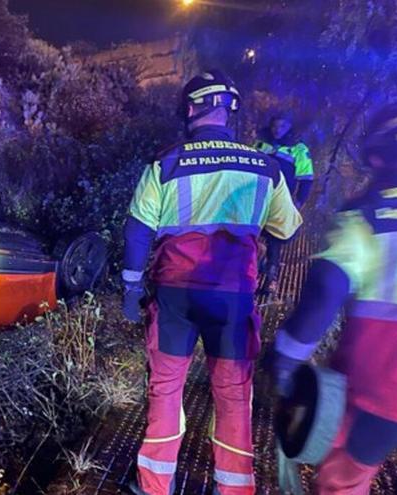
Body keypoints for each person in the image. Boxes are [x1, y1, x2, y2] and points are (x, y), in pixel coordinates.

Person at [121, 70, 302, 495]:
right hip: (234, 298)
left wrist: (131, 291)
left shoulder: (164, 163)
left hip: (175, 297)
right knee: (234, 394)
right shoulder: (266, 167)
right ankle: (235, 487)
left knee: (166, 389)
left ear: (190, 109)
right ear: (228, 112)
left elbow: (136, 231)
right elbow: (287, 230)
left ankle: (153, 484)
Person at [267, 103, 397, 494]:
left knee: (343, 479)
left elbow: (326, 287)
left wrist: (286, 358)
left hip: (382, 390)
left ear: (376, 156)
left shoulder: (369, 218)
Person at [254, 113, 315, 294]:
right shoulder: (260, 143)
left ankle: (271, 280)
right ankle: (252, 270)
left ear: (290, 127)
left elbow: (306, 178)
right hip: (257, 196)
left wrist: (298, 202)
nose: (277, 130)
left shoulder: (299, 149)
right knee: (252, 234)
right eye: (275, 126)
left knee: (275, 238)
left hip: (281, 199)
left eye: (282, 126)